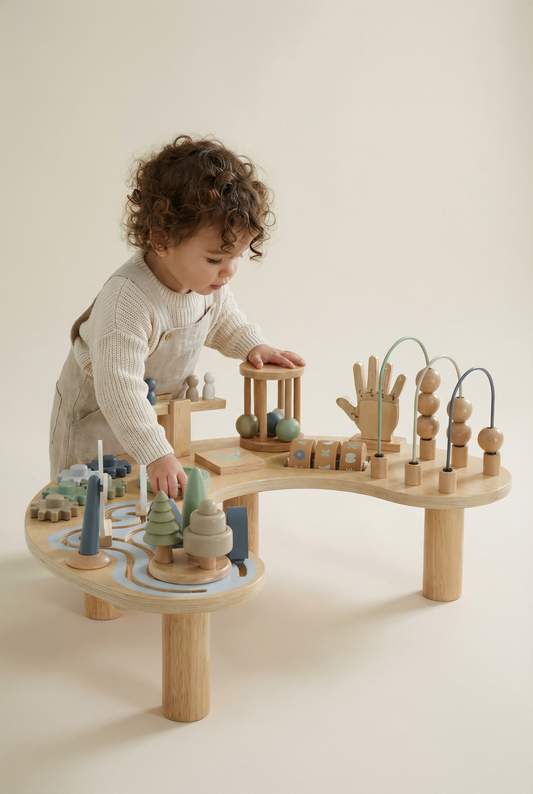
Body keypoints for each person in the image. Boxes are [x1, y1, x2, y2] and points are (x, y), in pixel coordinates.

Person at [49, 135, 304, 496]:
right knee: (88, 495)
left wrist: (253, 345)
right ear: (161, 240)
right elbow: (119, 389)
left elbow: (221, 319)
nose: (228, 271)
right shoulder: (128, 301)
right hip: (98, 416)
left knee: (148, 497)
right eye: (215, 259)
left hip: (154, 416)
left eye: (236, 257)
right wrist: (155, 453)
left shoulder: (204, 285)